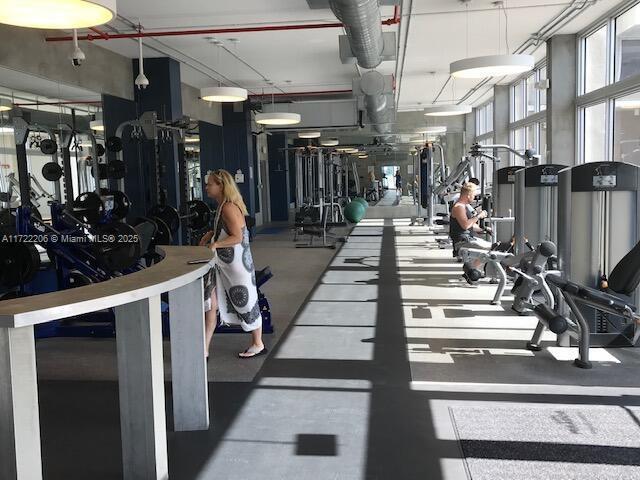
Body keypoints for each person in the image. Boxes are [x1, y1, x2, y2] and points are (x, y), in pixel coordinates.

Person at [199, 169, 266, 359]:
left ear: (221, 186)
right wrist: (211, 234)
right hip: (221, 264)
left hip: (236, 266)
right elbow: (226, 230)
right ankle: (203, 348)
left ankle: (258, 343)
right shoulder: (221, 206)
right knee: (211, 304)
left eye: (210, 184)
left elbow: (237, 237)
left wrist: (216, 243)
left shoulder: (228, 207)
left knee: (246, 303)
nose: (206, 187)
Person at [450, 181, 492, 250]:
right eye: (473, 195)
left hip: (468, 238)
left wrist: (485, 229)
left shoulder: (464, 206)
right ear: (468, 195)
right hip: (462, 242)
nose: (474, 198)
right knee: (490, 249)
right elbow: (465, 225)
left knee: (493, 246)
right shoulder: (459, 207)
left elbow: (470, 225)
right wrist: (478, 216)